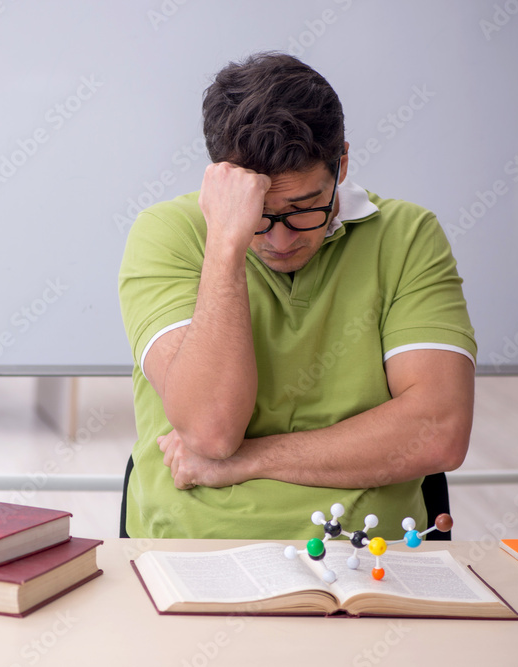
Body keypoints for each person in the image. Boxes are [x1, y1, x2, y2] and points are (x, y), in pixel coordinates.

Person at [117, 52, 476, 540]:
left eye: (305, 209)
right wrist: (226, 243)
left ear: (342, 164)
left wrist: (250, 461)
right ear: (222, 180)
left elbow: (439, 430)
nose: (281, 240)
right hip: (196, 552)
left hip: (372, 560)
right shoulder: (168, 234)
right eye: (260, 214)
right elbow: (211, 431)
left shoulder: (408, 236)